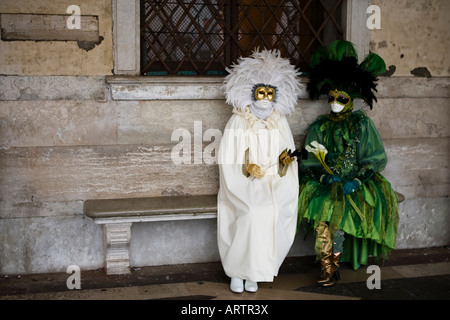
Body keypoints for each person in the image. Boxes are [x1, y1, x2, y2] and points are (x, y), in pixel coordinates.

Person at [298, 40, 399, 287]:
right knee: (325, 211)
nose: (334, 102)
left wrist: (356, 179)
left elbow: (375, 158)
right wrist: (324, 177)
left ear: (351, 99)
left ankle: (339, 260)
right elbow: (309, 161)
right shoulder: (319, 126)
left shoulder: (362, 125)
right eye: (331, 97)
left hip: (358, 181)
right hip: (326, 183)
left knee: (349, 209)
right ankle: (329, 266)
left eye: (341, 98)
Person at [217, 48, 303, 293]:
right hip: (244, 184)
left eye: (269, 93)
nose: (265, 98)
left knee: (271, 211)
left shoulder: (279, 120)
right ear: (251, 92)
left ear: (277, 95)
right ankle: (237, 271)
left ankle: (255, 272)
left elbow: (285, 154)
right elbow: (229, 156)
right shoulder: (239, 120)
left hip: (275, 183)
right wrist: (246, 169)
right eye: (260, 92)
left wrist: (284, 163)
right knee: (252, 211)